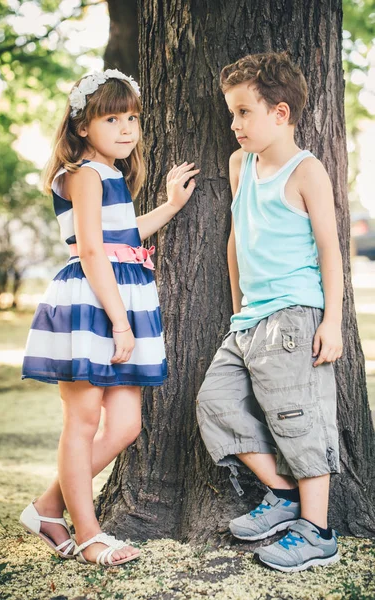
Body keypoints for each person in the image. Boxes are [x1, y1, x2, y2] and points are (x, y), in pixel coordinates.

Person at [20, 68, 199, 567]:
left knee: (123, 427)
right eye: (112, 118)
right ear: (82, 127)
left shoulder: (112, 176)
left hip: (122, 299)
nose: (126, 128)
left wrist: (169, 206)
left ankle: (48, 507)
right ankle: (89, 534)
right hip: (94, 304)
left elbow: (123, 236)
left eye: (133, 118)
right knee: (81, 421)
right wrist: (120, 323)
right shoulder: (81, 174)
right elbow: (94, 250)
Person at [196, 52, 343, 573]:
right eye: (231, 113)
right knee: (214, 402)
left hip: (293, 316)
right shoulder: (241, 165)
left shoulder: (308, 171)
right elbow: (236, 239)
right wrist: (238, 309)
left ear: (280, 114)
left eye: (242, 112)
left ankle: (318, 530)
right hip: (249, 319)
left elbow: (330, 248)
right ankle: (282, 496)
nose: (233, 124)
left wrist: (332, 321)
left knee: (296, 419)